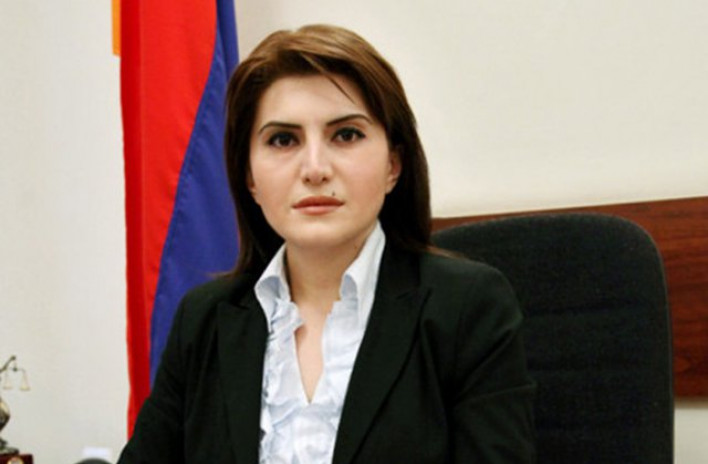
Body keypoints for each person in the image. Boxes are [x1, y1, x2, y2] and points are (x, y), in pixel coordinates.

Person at [118, 24, 535, 463]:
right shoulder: (203, 319)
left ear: (393, 165)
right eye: (283, 140)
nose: (315, 169)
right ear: (250, 178)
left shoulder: (467, 307)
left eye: (346, 135)